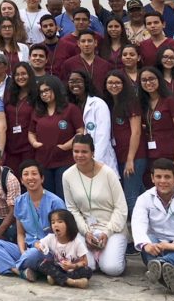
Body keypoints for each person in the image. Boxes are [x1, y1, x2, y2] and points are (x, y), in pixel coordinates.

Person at [0, 160, 66, 277]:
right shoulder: (19, 202)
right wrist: (22, 252)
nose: (30, 178)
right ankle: (21, 270)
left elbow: (63, 235)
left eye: (34, 174)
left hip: (48, 251)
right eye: (26, 174)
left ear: (42, 178)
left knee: (33, 254)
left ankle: (9, 265)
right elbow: (21, 234)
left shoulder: (55, 202)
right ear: (21, 180)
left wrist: (40, 247)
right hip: (27, 248)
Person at [132, 158, 174, 295]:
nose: (163, 181)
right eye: (158, 176)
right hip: (156, 248)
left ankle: (159, 266)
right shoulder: (144, 199)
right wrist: (146, 245)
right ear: (152, 178)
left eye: (167, 177)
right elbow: (138, 223)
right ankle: (165, 274)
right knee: (149, 239)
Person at [62, 134, 128, 276]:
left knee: (112, 269)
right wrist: (86, 232)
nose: (80, 155)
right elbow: (72, 209)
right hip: (85, 229)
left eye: (84, 152)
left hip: (111, 228)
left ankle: (115, 256)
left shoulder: (108, 173)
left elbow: (121, 207)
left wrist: (107, 232)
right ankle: (98, 258)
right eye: (76, 151)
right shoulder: (67, 175)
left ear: (93, 152)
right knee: (88, 266)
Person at [28, 76, 83, 198]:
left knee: (64, 196)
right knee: (48, 197)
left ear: (56, 89)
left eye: (47, 90)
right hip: (43, 161)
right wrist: (34, 143)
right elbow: (31, 132)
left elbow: (80, 131)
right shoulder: (38, 111)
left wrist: (66, 146)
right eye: (41, 92)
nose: (44, 94)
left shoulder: (70, 109)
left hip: (65, 160)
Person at [103, 70, 145, 217]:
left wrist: (130, 159)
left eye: (117, 82)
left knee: (130, 198)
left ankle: (138, 229)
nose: (114, 86)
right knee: (140, 193)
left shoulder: (131, 103)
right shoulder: (109, 104)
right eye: (110, 83)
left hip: (134, 157)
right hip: (119, 156)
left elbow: (136, 132)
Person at [66, 69, 117, 173]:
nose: (75, 84)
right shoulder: (69, 106)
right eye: (71, 81)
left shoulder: (98, 104)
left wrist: (94, 161)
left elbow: (103, 137)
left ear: (86, 83)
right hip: (79, 159)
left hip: (100, 159)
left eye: (78, 81)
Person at [139, 67, 174, 177]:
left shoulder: (170, 100)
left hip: (170, 154)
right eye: (144, 80)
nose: (148, 83)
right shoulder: (144, 103)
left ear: (159, 79)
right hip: (151, 155)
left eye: (151, 79)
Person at [33, 208, 92, 288]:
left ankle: (56, 278)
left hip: (73, 270)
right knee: (41, 264)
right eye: (53, 222)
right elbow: (37, 243)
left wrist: (72, 266)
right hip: (58, 268)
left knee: (88, 270)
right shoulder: (50, 238)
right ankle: (71, 282)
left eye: (60, 222)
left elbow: (84, 262)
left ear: (69, 224)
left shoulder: (76, 242)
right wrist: (38, 246)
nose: (55, 225)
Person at [2, 64, 37, 175]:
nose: (20, 77)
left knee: (28, 176)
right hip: (11, 145)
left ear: (30, 75)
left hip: (29, 146)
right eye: (17, 74)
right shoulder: (9, 94)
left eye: (23, 74)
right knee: (12, 178)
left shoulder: (36, 95)